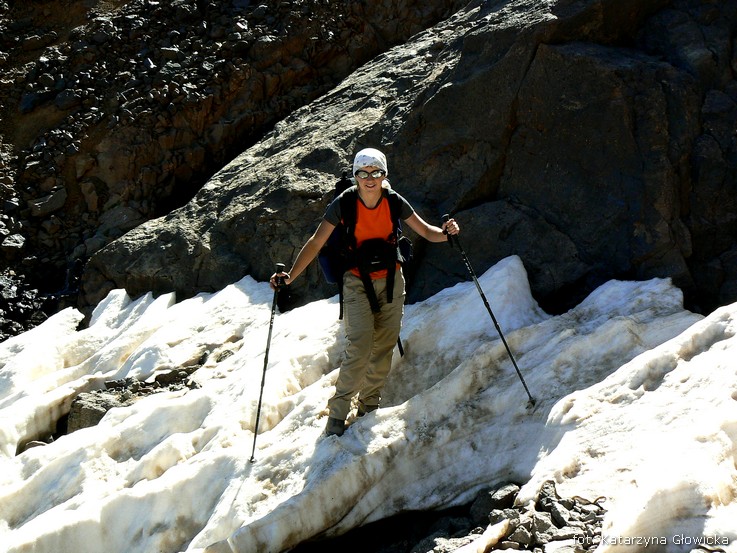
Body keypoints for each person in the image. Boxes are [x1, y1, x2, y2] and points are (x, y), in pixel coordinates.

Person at [270, 148, 460, 436]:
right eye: (363, 173)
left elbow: (427, 232)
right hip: (356, 281)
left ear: (385, 175)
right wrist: (290, 277)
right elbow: (316, 241)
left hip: (392, 281)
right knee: (359, 348)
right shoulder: (344, 203)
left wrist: (447, 233)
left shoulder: (394, 201)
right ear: (355, 176)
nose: (370, 179)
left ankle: (369, 408)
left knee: (383, 346)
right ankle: (337, 416)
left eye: (376, 172)